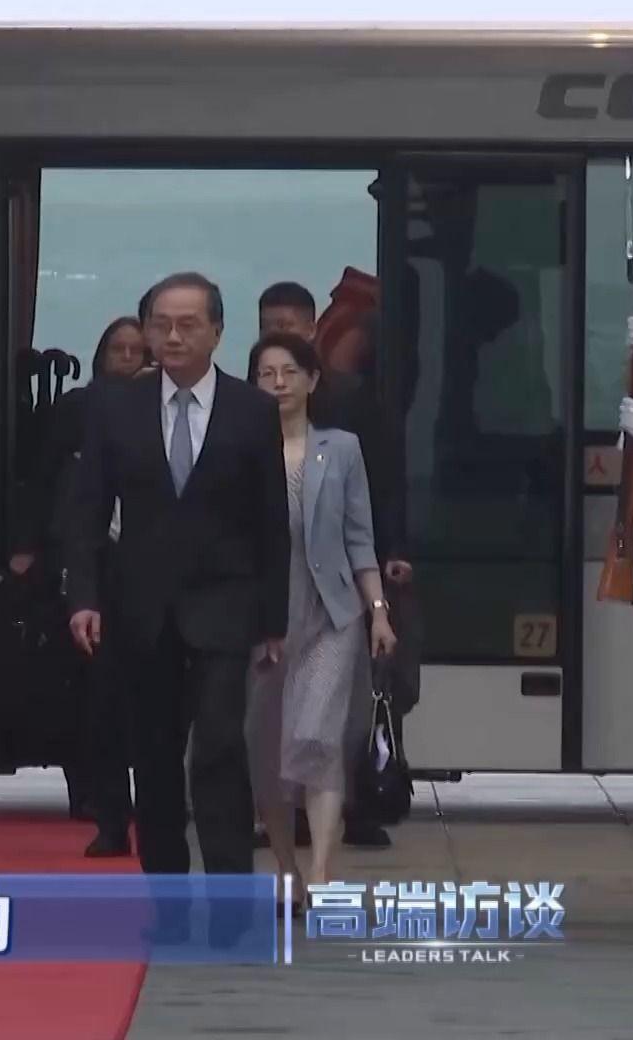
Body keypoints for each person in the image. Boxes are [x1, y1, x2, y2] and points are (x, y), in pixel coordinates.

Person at [65, 272, 289, 880]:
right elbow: (86, 511)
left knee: (219, 746)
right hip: (142, 608)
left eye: (188, 325)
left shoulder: (252, 410)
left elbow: (271, 522)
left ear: (217, 332)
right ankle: (165, 892)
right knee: (155, 757)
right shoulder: (115, 407)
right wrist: (83, 597)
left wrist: (273, 620)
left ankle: (229, 893)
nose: (172, 336)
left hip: (225, 604)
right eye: (161, 324)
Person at [257, 280, 414, 849]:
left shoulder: (349, 413)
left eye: (289, 327)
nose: (280, 382)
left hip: (333, 600)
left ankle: (336, 831)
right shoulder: (243, 426)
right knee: (272, 732)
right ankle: (283, 835)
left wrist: (381, 597)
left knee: (323, 725)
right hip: (266, 606)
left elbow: (374, 495)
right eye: (269, 328)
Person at [244, 333, 396, 910]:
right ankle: (287, 867)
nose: (278, 383)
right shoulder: (241, 447)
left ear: (312, 380)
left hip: (332, 613)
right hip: (265, 618)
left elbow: (360, 537)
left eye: (289, 371)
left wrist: (377, 612)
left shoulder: (342, 448)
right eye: (266, 373)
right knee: (267, 750)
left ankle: (324, 870)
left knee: (317, 737)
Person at [11, 315, 145, 858]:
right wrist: (30, 544)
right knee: (93, 692)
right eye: (119, 349)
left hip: (152, 569)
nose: (128, 359)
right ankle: (98, 801)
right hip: (92, 564)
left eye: (138, 350)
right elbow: (46, 481)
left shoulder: (171, 414)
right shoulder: (79, 410)